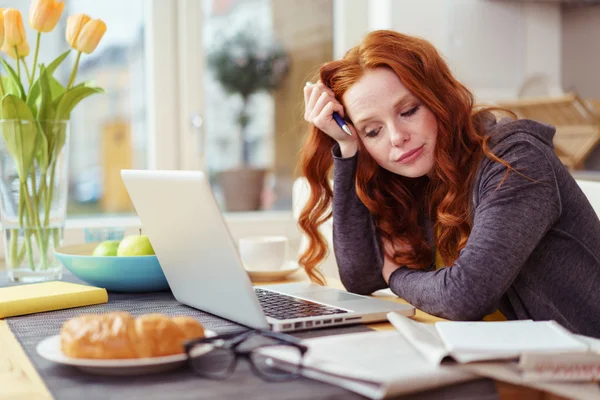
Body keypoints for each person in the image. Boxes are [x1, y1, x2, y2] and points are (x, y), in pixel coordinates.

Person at [298, 29, 600, 338]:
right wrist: (348, 150)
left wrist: (394, 274)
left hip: (583, 364)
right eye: (373, 131)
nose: (396, 137)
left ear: (439, 98)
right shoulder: (423, 175)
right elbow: (361, 277)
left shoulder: (516, 157)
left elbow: (466, 295)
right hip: (509, 357)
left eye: (408, 111)